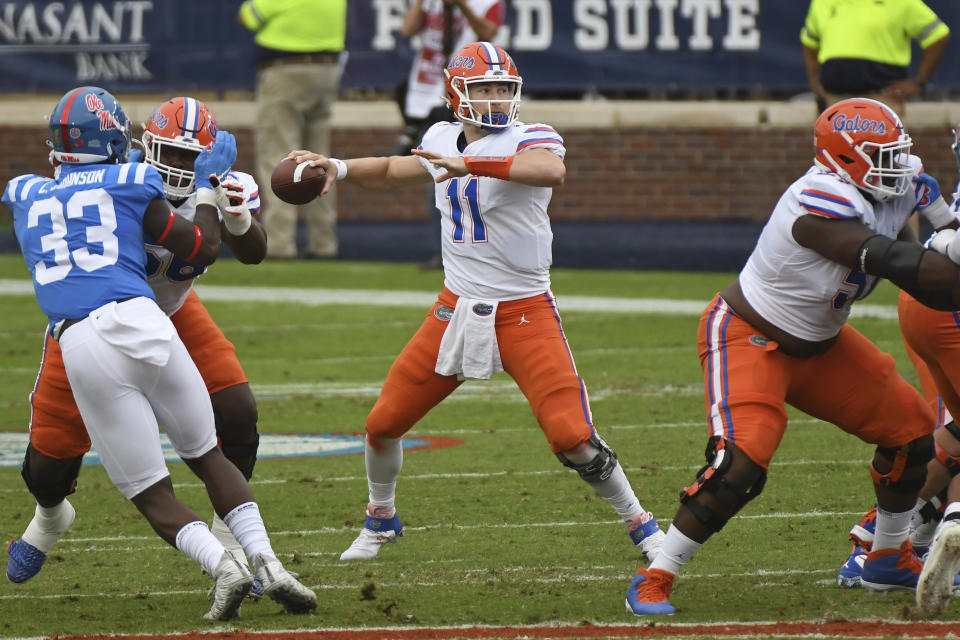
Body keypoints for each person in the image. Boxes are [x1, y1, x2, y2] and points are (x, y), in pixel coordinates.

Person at [288, 41, 666, 564]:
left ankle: (641, 523)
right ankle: (380, 520)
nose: (494, 99)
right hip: (455, 307)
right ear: (456, 93)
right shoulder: (440, 135)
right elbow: (399, 169)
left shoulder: (533, 135)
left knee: (573, 437)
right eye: (483, 88)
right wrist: (339, 166)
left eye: (502, 89)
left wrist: (469, 162)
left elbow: (548, 171)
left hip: (524, 309)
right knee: (382, 425)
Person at [625, 97, 960, 616]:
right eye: (882, 154)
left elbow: (943, 251)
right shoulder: (817, 201)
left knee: (913, 437)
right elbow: (902, 263)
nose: (898, 163)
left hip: (822, 344)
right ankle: (656, 575)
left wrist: (947, 237)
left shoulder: (902, 182)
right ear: (846, 159)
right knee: (740, 464)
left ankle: (887, 556)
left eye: (899, 151)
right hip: (750, 336)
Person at [2, 87, 316, 620]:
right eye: (165, 152)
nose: (174, 165)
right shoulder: (121, 172)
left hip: (171, 311)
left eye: (187, 158)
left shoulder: (218, 182)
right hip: (94, 314)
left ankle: (232, 541)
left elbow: (253, 251)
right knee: (47, 465)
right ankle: (49, 515)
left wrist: (233, 213)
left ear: (207, 158)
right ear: (141, 144)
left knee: (236, 412)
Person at [393, 0, 503, 269]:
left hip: (461, 95)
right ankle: (446, 252)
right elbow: (408, 29)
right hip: (426, 94)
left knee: (457, 179)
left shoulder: (486, 2)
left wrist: (461, 5)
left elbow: (488, 33)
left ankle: (471, 251)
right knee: (436, 180)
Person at [237, 0, 346, 260]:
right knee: (321, 163)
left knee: (278, 157)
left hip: (285, 71)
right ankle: (324, 242)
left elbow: (247, 16)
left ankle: (279, 243)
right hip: (326, 68)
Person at [800, 0, 950, 118]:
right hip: (833, 102)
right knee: (830, 157)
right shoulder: (822, 1)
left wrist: (918, 81)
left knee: (885, 157)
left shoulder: (901, 1)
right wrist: (814, 81)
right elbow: (809, 42)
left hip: (883, 102)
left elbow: (938, 36)